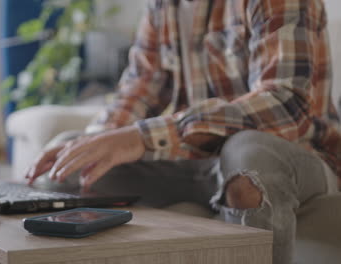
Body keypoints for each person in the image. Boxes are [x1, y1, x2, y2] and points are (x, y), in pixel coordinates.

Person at [26, 0, 341, 263]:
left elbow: (284, 105)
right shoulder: (162, 6)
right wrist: (92, 142)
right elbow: (137, 92)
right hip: (199, 162)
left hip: (298, 156)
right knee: (63, 169)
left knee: (248, 153)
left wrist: (144, 137)